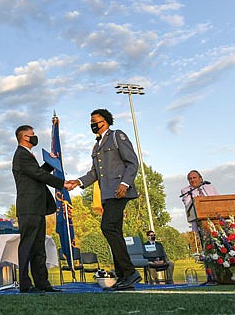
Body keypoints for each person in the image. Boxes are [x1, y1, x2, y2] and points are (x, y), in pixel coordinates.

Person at [65, 108, 141, 291]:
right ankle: (124, 277)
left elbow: (132, 162)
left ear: (105, 121)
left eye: (95, 121)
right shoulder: (97, 145)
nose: (92, 124)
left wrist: (125, 184)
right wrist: (78, 182)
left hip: (119, 191)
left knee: (107, 227)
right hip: (107, 194)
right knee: (114, 230)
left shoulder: (117, 136)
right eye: (91, 121)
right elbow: (94, 173)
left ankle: (130, 272)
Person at [12, 125, 65, 293]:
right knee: (27, 246)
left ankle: (42, 283)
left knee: (38, 247)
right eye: (32, 135)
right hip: (28, 208)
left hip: (37, 208)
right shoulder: (21, 155)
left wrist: (50, 163)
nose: (35, 137)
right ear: (24, 138)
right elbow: (39, 176)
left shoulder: (27, 156)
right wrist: (63, 184)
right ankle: (25, 285)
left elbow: (37, 173)